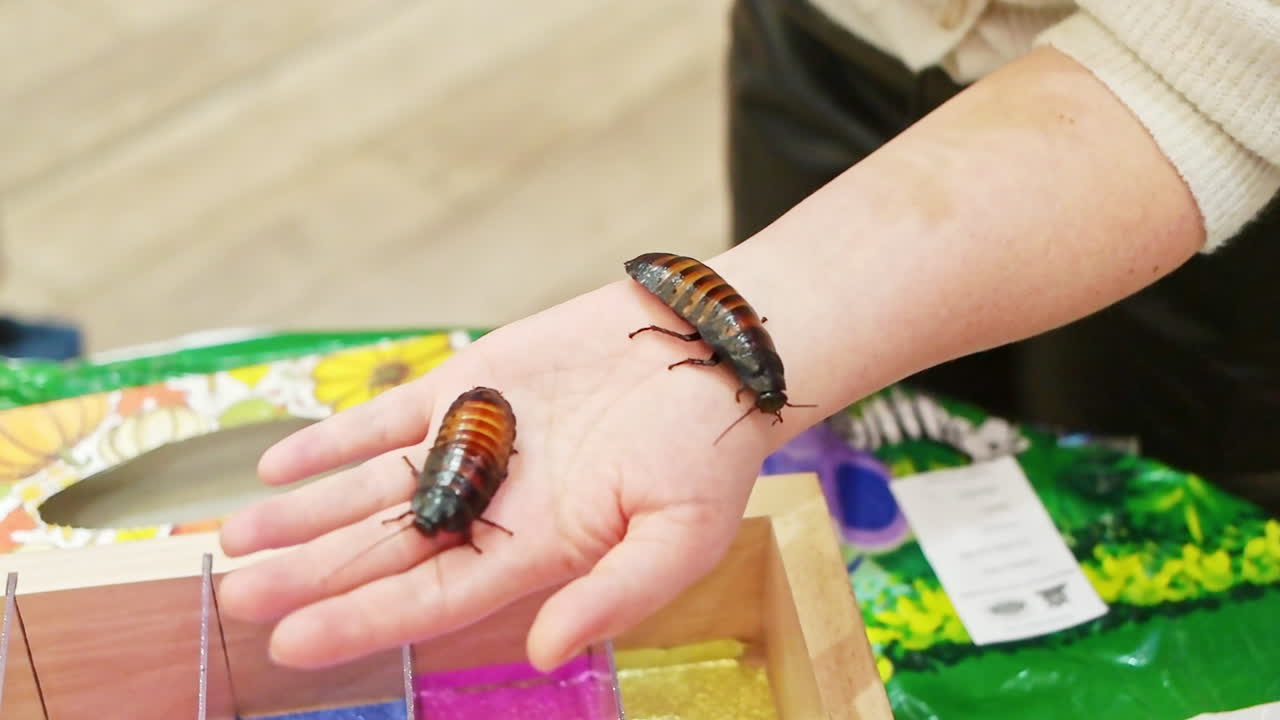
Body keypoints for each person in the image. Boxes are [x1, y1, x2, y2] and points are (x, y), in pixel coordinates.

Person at [214, 0, 1280, 675]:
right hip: (832, 31)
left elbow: (1216, 64)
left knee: (1140, 491)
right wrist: (797, 297)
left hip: (1189, 150)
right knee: (857, 456)